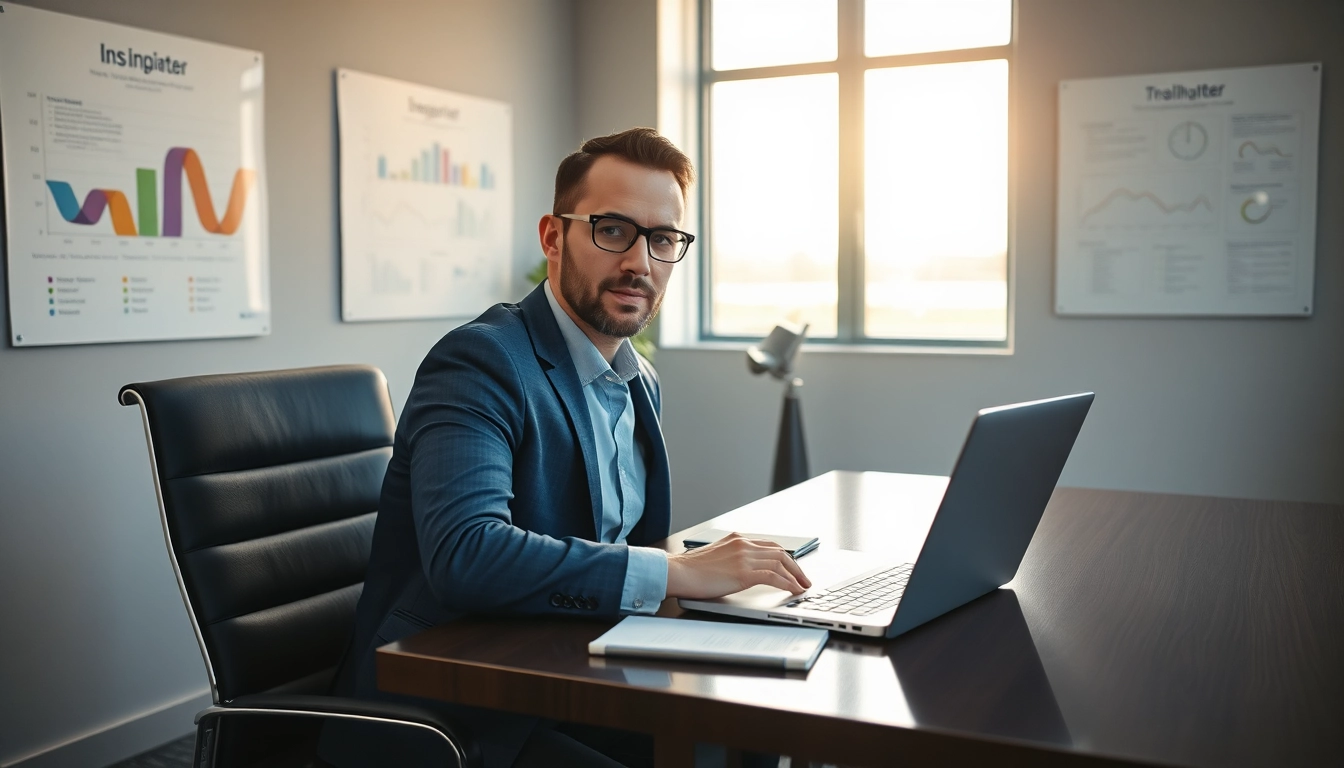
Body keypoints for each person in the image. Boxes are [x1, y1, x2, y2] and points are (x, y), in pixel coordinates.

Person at [332, 127, 810, 768]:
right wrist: (675, 571)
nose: (640, 262)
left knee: (754, 731)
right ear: (553, 238)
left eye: (663, 239)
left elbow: (611, 548)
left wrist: (716, 586)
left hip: (569, 667)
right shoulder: (481, 361)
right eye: (612, 229)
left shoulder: (639, 380)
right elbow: (466, 553)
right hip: (453, 704)